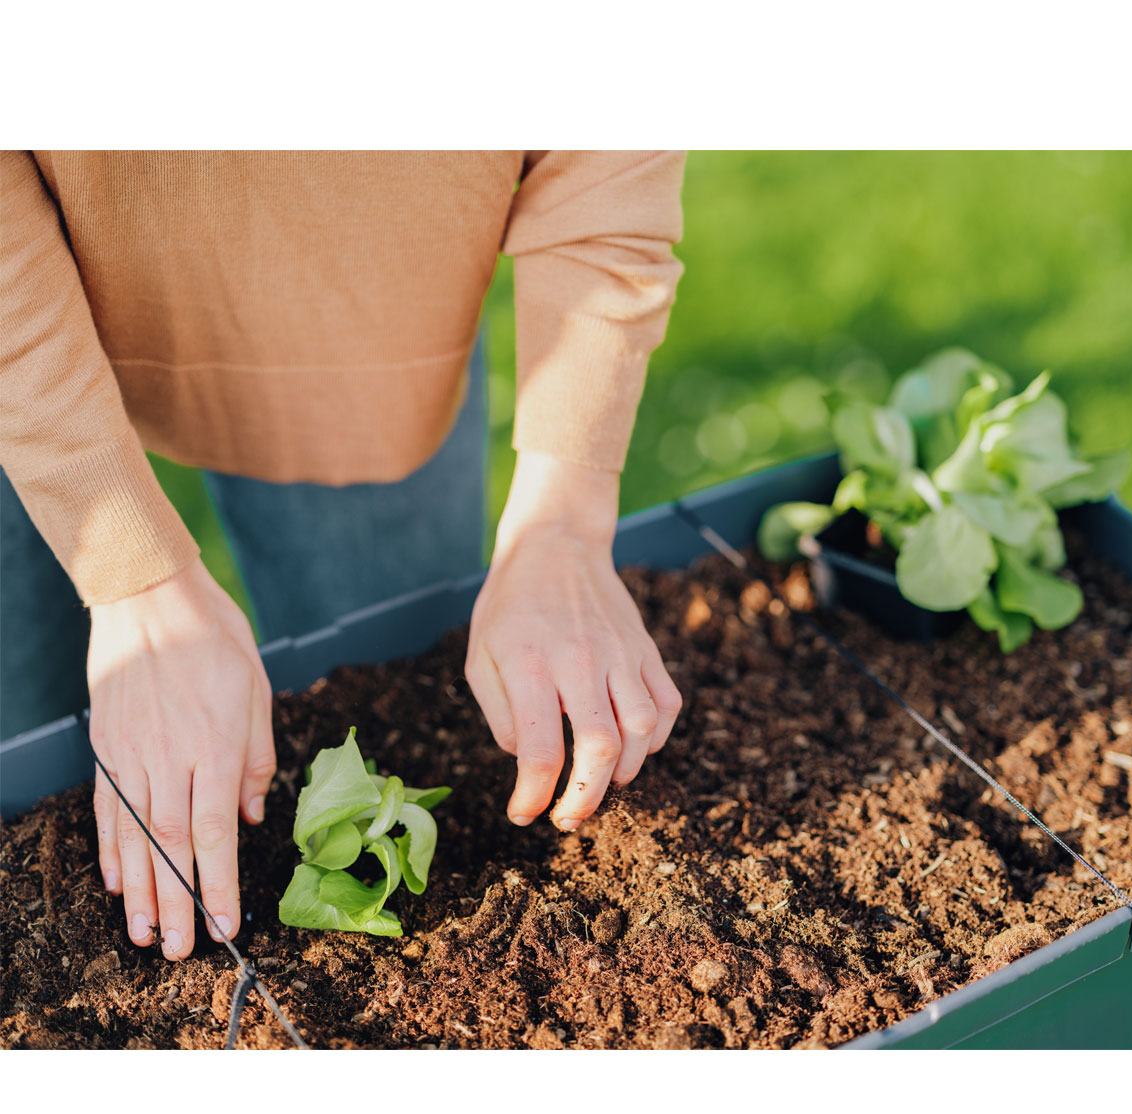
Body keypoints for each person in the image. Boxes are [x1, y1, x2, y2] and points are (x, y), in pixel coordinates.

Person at [0, 150, 686, 962]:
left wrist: (563, 523)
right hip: (22, 354)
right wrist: (132, 580)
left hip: (368, 355)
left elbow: (606, 179)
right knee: (31, 736)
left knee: (401, 685)